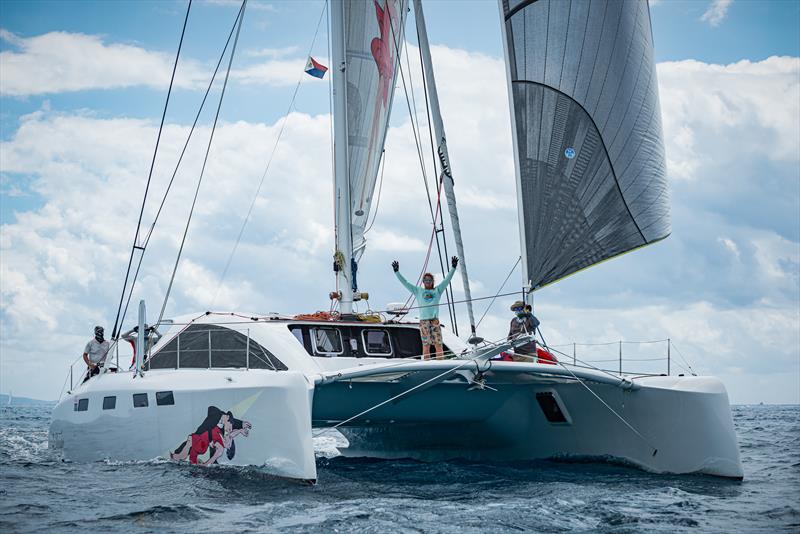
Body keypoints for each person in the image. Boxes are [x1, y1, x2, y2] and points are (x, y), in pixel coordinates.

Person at [392, 256, 458, 360]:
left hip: (434, 321)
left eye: (429, 280)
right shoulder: (418, 291)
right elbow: (406, 283)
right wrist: (397, 272)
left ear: (432, 281)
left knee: (438, 345)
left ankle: (440, 364)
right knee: (426, 346)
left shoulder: (438, 291)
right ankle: (427, 363)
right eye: (425, 280)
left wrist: (453, 267)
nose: (427, 281)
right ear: (423, 281)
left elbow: (447, 280)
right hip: (424, 322)